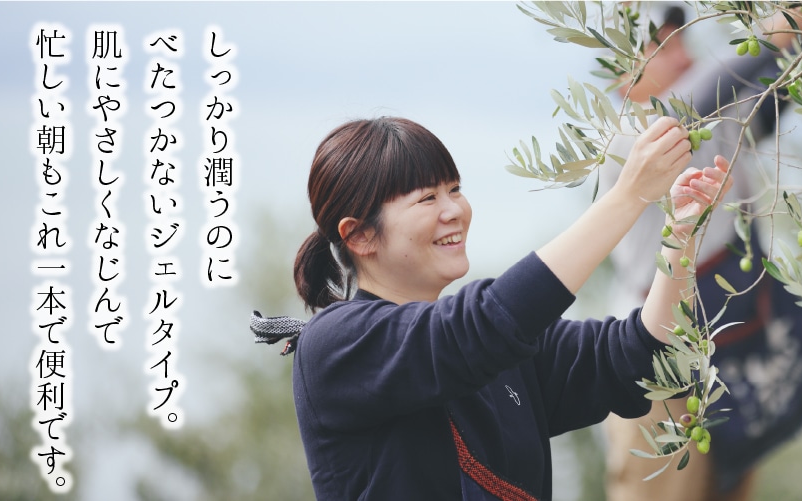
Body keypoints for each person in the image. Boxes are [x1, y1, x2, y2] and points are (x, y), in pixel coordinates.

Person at [254, 115, 734, 500]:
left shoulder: (500, 347)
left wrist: (679, 240)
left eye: (455, 189)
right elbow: (486, 323)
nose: (454, 210)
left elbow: (645, 361)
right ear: (358, 235)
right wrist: (628, 196)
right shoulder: (338, 343)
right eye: (427, 198)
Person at [598, 6, 802, 501]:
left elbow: (780, 89)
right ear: (624, 75)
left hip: (724, 359)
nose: (684, 55)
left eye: (683, 42)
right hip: (657, 374)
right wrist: (775, 30)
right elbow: (688, 105)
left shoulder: (717, 122)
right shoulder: (625, 140)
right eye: (665, 46)